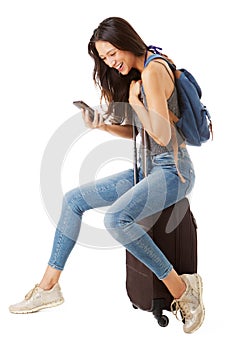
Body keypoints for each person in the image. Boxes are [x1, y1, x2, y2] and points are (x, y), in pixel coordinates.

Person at [9, 17, 205, 334]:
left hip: (174, 172)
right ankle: (48, 287)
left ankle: (183, 292)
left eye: (112, 53)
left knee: (116, 220)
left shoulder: (154, 71)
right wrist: (100, 123)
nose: (111, 62)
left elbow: (161, 134)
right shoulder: (144, 73)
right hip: (148, 170)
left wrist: (132, 102)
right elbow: (139, 132)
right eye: (104, 59)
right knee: (73, 201)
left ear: (127, 41)